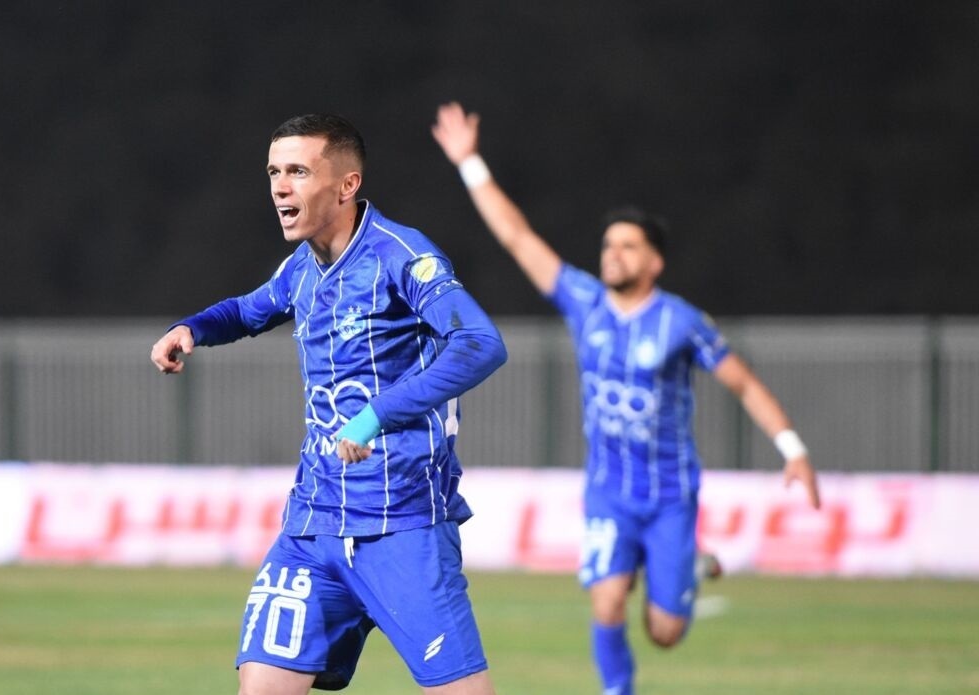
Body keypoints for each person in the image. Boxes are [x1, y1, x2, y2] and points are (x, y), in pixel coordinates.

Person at [431, 102, 820, 695]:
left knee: (664, 631)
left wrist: (792, 448)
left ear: (654, 262)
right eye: (609, 244)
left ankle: (689, 562)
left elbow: (742, 382)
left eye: (629, 246)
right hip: (609, 492)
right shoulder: (584, 302)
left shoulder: (682, 322)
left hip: (670, 497)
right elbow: (517, 236)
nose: (613, 253)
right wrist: (470, 163)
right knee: (607, 601)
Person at [151, 113, 507, 695]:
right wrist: (192, 327)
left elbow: (480, 343)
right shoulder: (302, 268)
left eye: (297, 171)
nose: (279, 187)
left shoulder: (401, 256)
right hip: (312, 527)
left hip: (402, 524)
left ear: (347, 185)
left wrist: (374, 416)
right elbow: (246, 310)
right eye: (273, 172)